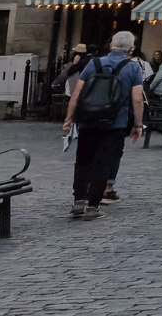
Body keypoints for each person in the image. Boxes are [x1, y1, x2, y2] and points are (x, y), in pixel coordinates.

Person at [62, 31, 146, 219]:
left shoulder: (94, 63)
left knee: (83, 161)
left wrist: (69, 118)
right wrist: (138, 125)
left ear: (111, 46)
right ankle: (93, 206)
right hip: (115, 122)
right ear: (131, 49)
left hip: (88, 120)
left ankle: (78, 201)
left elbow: (76, 93)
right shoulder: (132, 68)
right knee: (102, 163)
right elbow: (137, 99)